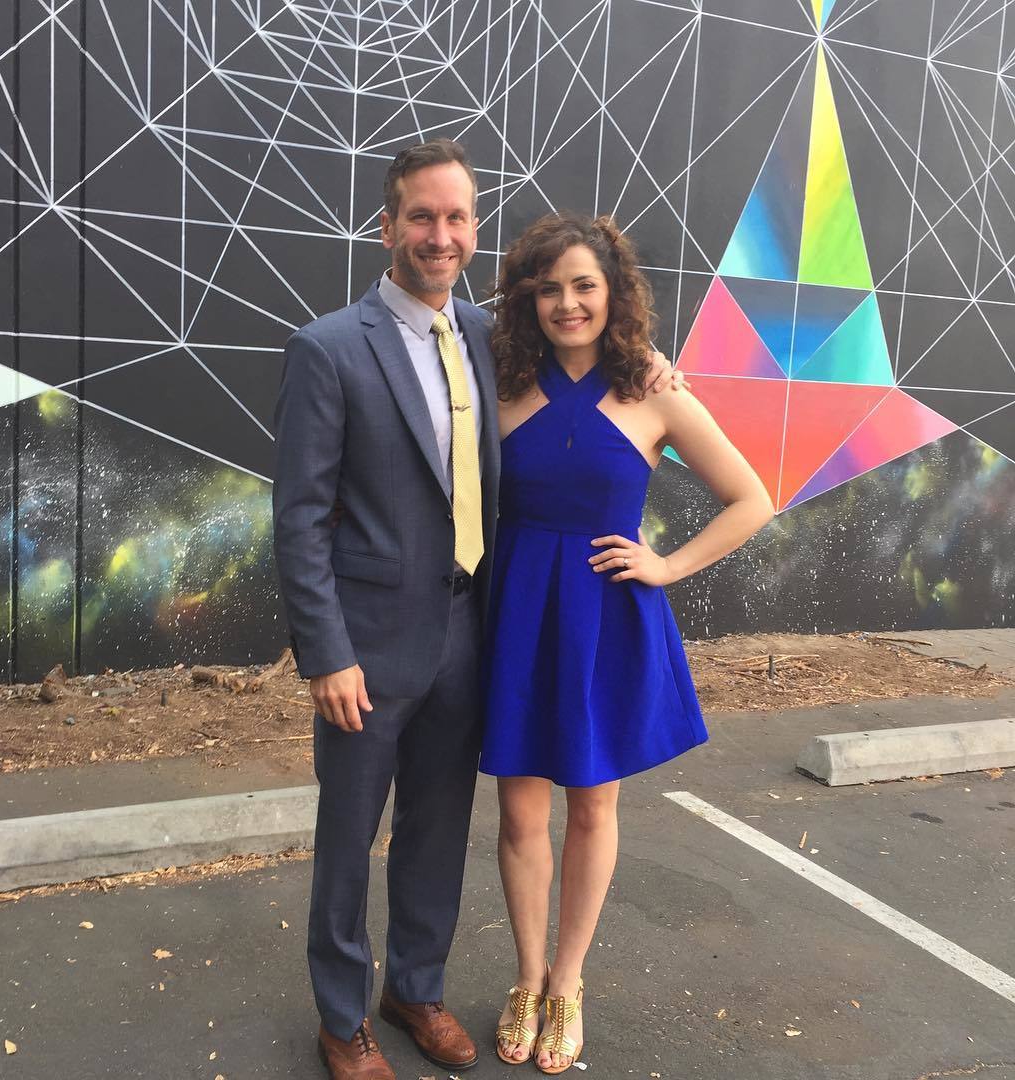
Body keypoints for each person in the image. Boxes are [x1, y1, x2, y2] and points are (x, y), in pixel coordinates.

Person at [273, 139, 685, 1080]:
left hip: (474, 633)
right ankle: (342, 1019)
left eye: (457, 218)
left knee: (436, 830)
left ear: (473, 229)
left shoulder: (489, 339)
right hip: (367, 650)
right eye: (421, 216)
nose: (441, 235)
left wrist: (654, 368)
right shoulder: (329, 348)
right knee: (348, 840)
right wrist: (324, 652)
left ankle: (414, 989)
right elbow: (299, 520)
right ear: (387, 226)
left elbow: (593, 362)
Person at [483, 212, 775, 1074]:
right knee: (519, 812)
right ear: (527, 299)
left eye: (585, 285)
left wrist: (666, 565)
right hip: (518, 612)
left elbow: (751, 498)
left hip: (603, 617)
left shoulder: (653, 387)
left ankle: (568, 983)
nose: (568, 304)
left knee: (593, 805)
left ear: (615, 293)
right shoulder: (501, 379)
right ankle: (527, 978)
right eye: (549, 289)